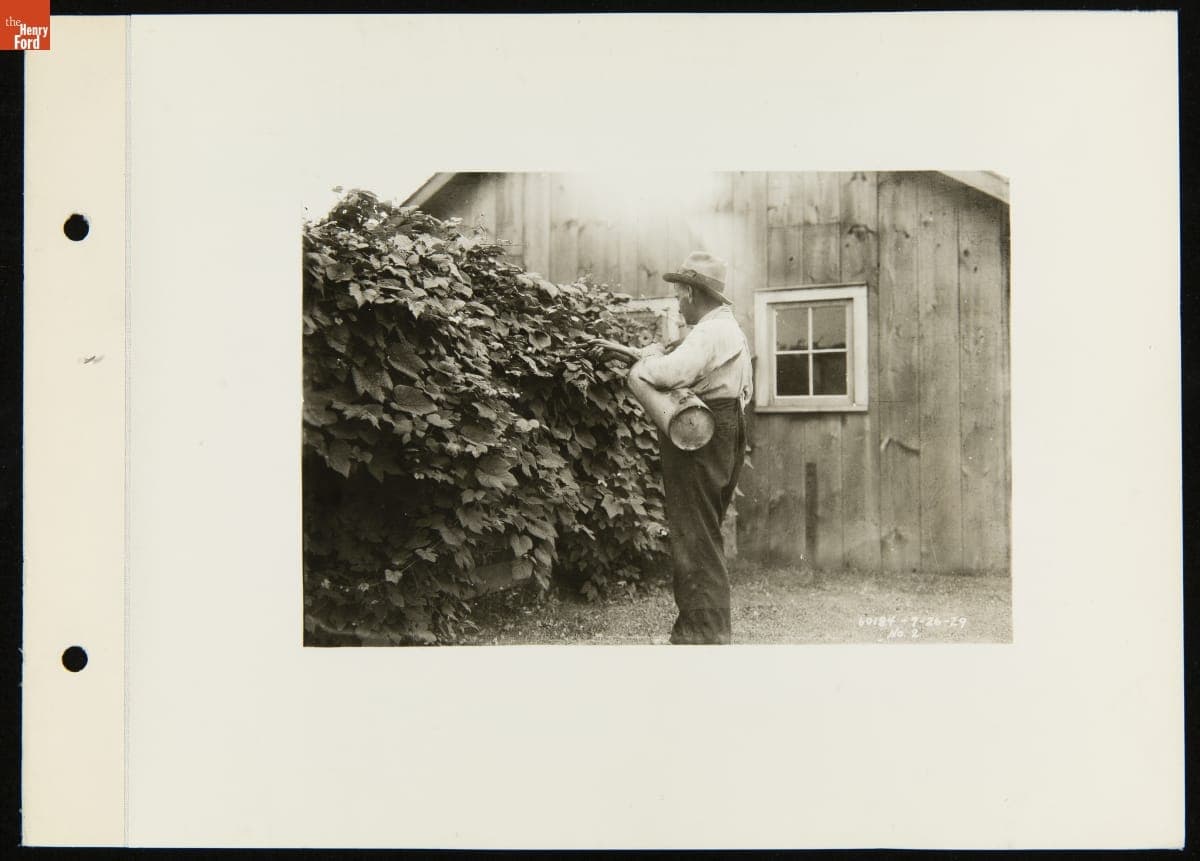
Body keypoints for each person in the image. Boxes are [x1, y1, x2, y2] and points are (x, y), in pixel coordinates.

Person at [591, 251, 753, 645]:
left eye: (680, 294)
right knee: (703, 532)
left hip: (702, 434)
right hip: (725, 426)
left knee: (694, 535)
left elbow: (667, 372)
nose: (678, 303)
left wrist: (642, 364)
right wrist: (633, 351)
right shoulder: (728, 329)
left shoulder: (710, 332)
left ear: (695, 293)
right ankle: (704, 629)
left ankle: (702, 634)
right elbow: (682, 363)